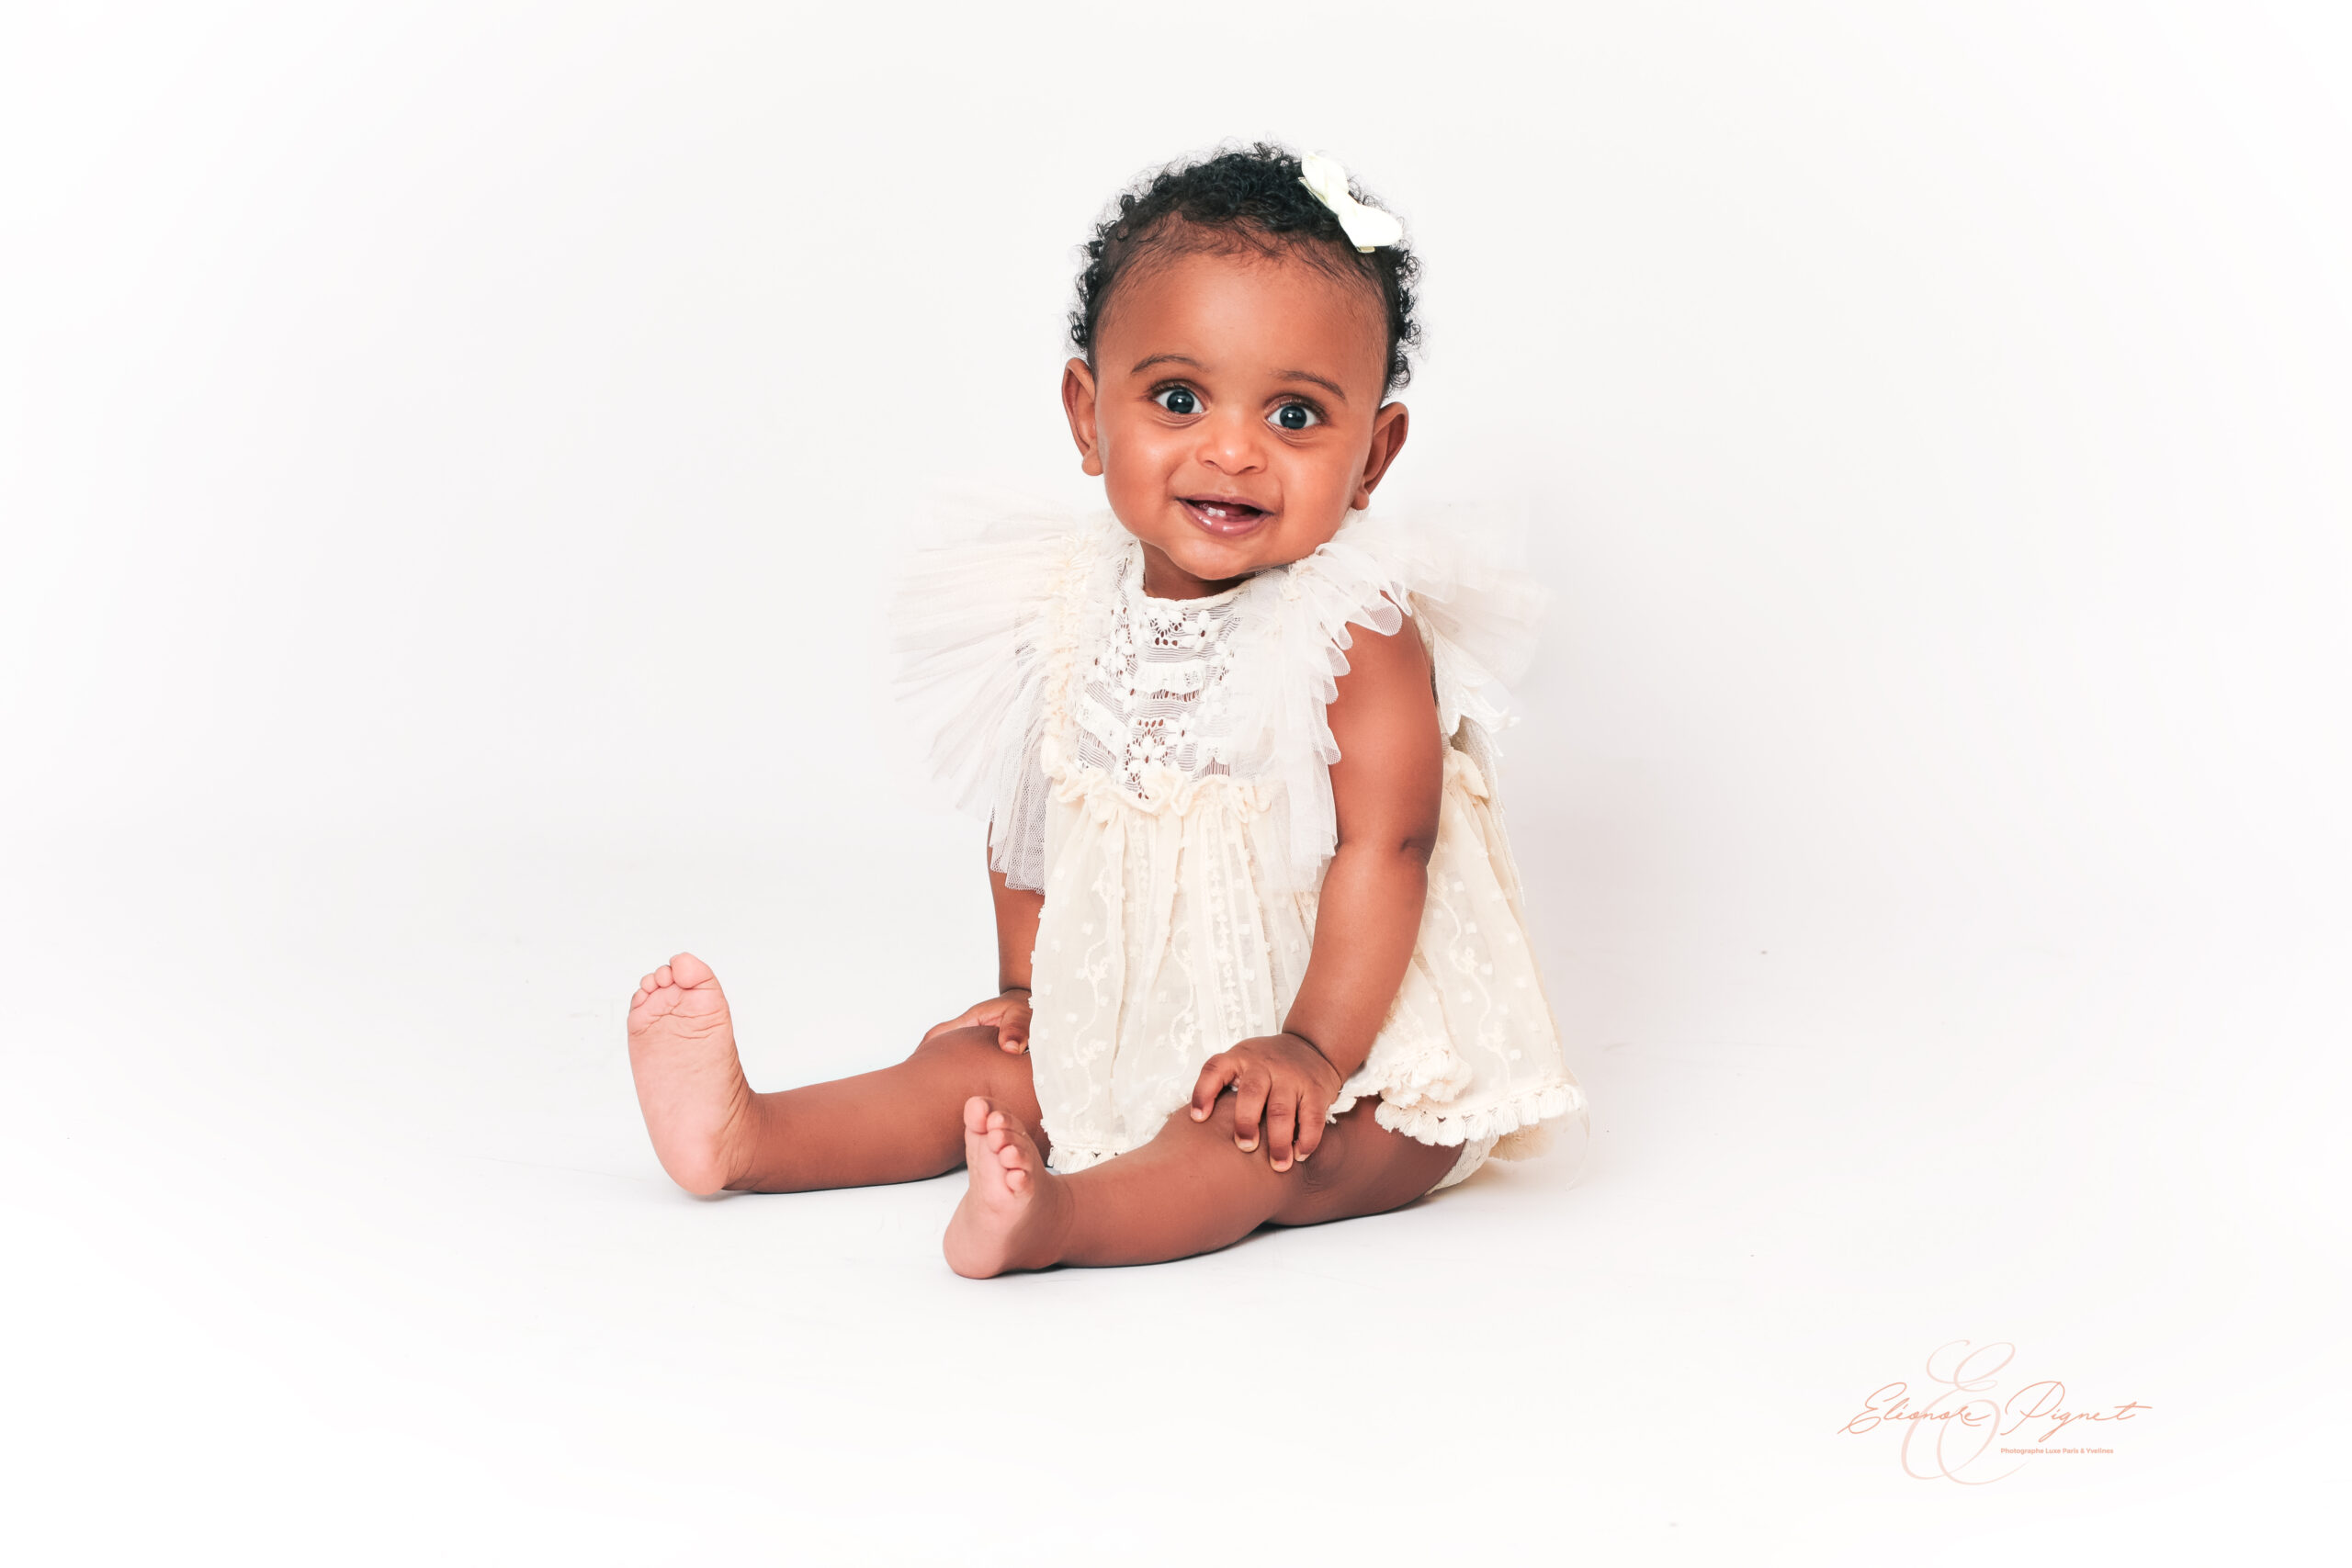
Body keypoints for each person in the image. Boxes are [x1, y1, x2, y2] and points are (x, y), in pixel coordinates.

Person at [625, 143, 1585, 1277]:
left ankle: (1058, 1221)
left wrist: (1311, 1050)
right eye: (1179, 399)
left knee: (1267, 1150)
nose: (1232, 450)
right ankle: (748, 1136)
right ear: (1089, 415)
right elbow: (1032, 815)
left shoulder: (1351, 626)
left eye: (1293, 416)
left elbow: (1391, 847)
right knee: (977, 1070)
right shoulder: (1062, 599)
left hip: (1356, 1045)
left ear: (1372, 455)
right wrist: (1026, 992)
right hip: (1133, 1017)